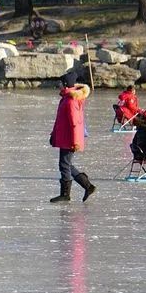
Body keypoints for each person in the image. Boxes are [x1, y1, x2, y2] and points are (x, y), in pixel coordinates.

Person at [49, 71, 96, 202]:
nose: (58, 85)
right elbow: (60, 120)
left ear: (65, 84)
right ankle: (87, 186)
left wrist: (76, 142)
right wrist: (54, 134)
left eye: (60, 83)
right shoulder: (66, 98)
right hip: (64, 137)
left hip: (69, 139)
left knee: (64, 165)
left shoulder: (71, 101)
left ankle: (66, 194)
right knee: (66, 164)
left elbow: (75, 123)